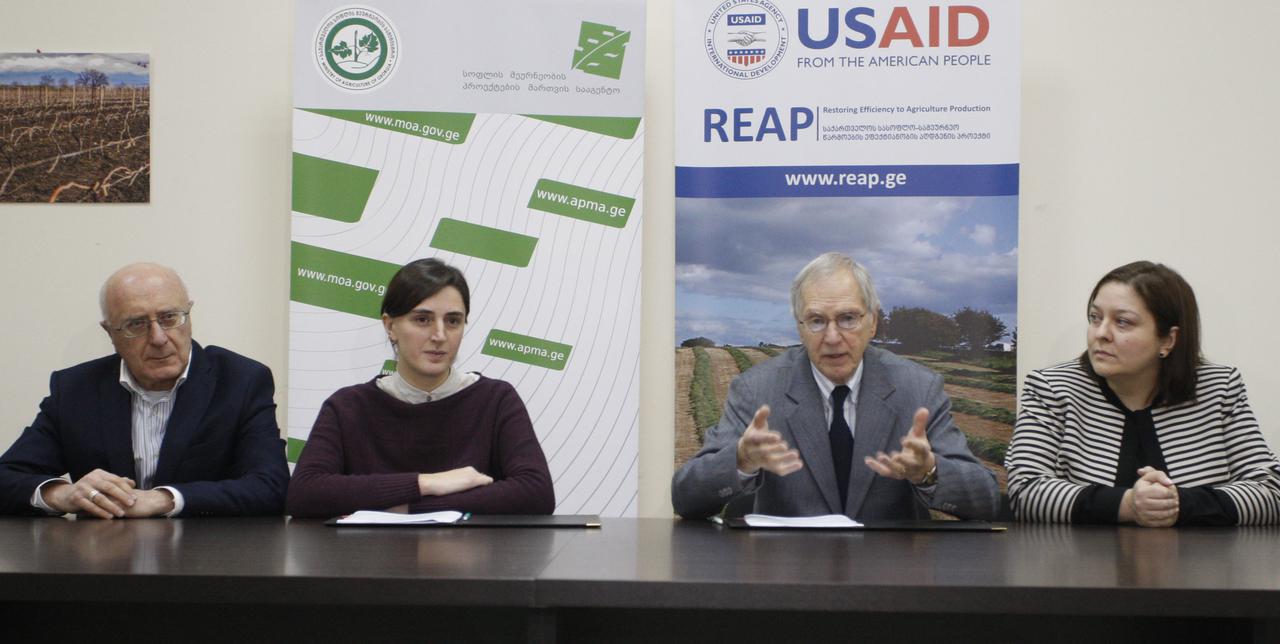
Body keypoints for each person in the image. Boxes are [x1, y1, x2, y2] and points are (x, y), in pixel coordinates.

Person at [672, 252, 1000, 521]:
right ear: (799, 327)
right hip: (789, 574)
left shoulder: (918, 388)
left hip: (891, 574)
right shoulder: (757, 390)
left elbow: (985, 499)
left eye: (847, 318)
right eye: (817, 321)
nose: (832, 337)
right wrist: (739, 461)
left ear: (873, 322)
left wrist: (928, 471)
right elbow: (685, 498)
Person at [0, 263, 289, 518]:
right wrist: (64, 495)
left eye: (169, 318)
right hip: (104, 557)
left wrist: (162, 499)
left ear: (189, 315)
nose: (159, 338)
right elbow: (7, 476)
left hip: (205, 555)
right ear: (109, 332)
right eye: (136, 324)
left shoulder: (241, 381)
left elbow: (271, 487)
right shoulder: (76, 389)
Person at [1006, 261, 1280, 526]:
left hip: (1200, 557)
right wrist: (1128, 504)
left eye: (1122, 322)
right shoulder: (1052, 387)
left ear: (1168, 340)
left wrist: (1178, 504)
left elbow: (1271, 491)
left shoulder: (1218, 387)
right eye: (1095, 318)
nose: (1101, 333)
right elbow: (1025, 491)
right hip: (1081, 557)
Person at [286, 258, 554, 518]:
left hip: (469, 550)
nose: (439, 335)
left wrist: (409, 509)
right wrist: (427, 483)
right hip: (371, 551)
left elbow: (536, 492)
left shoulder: (496, 399)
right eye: (423, 320)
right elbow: (304, 493)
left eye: (453, 321)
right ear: (390, 326)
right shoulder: (348, 406)